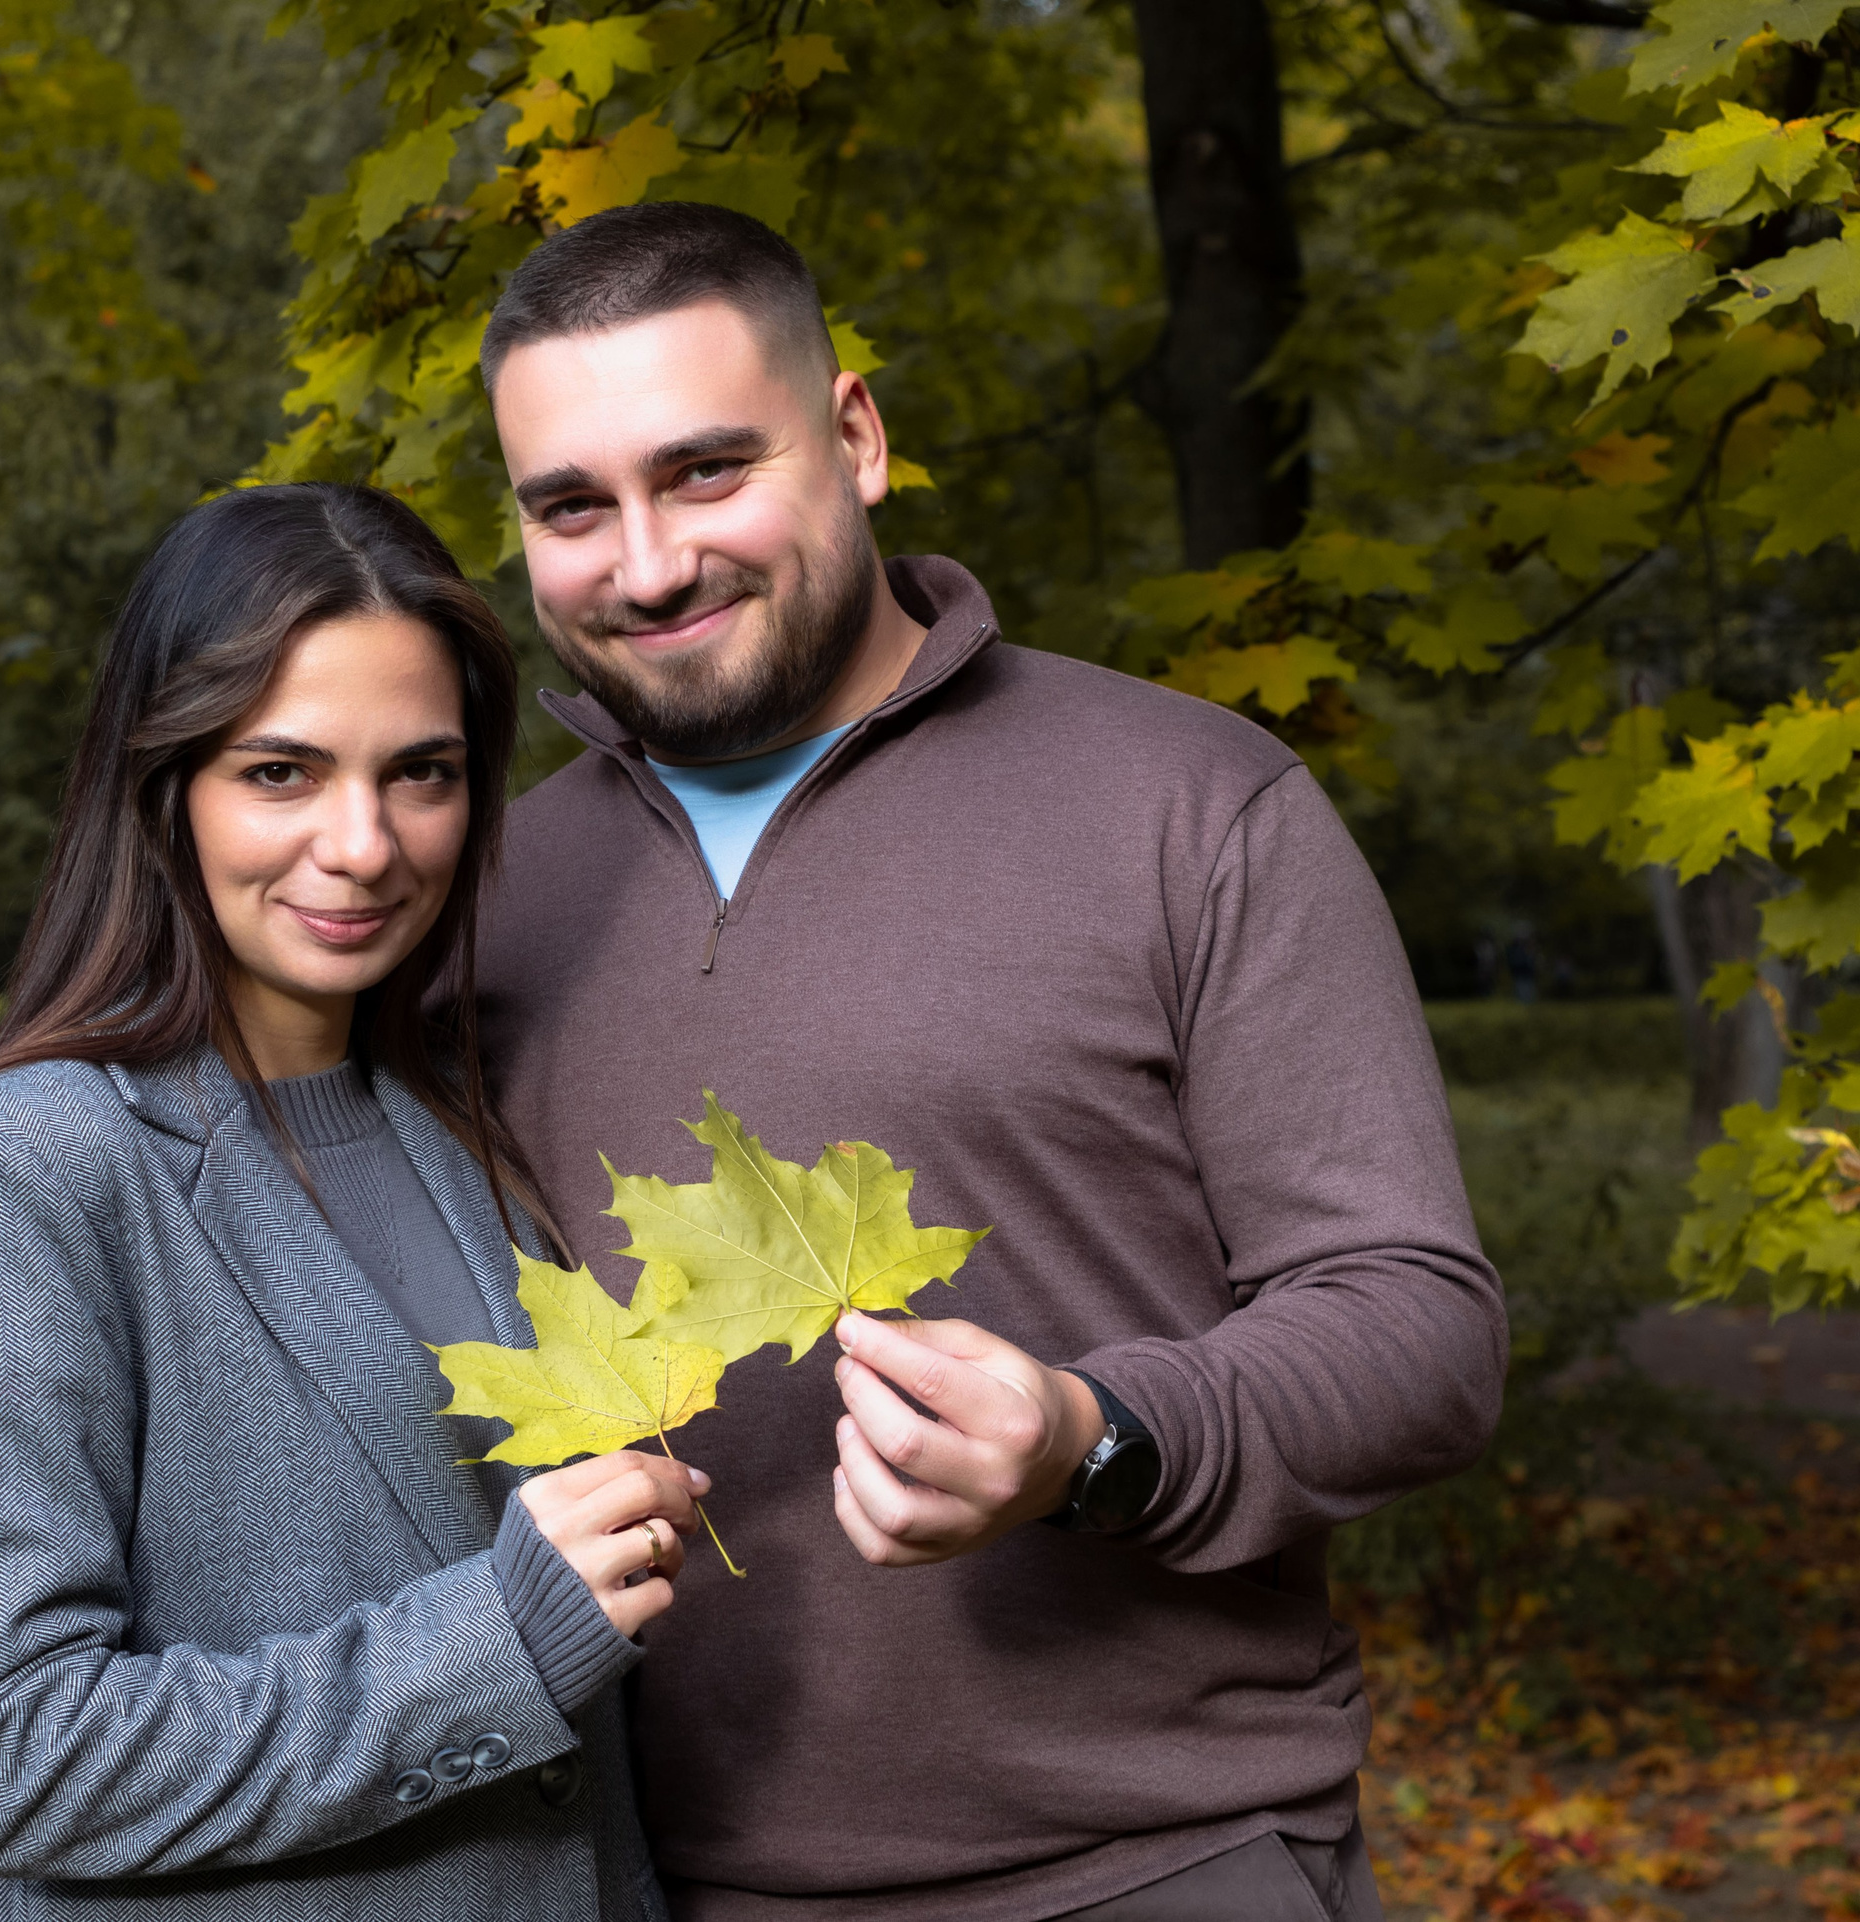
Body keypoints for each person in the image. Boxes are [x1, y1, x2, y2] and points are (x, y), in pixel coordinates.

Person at [469, 203, 1508, 1919]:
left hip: (1158, 1861)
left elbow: (1417, 1323)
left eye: (709, 471)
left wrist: (1097, 1435)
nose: (645, 564)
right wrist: (64, 1781)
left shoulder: (1188, 802)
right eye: (570, 506)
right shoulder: (480, 899)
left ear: (858, 437)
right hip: (651, 1881)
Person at [0, 482, 706, 1922]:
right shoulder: (23, 1170)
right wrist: (497, 1641)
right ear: (165, 784)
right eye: (281, 772)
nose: (365, 843)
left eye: (421, 773)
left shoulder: (470, 1126)